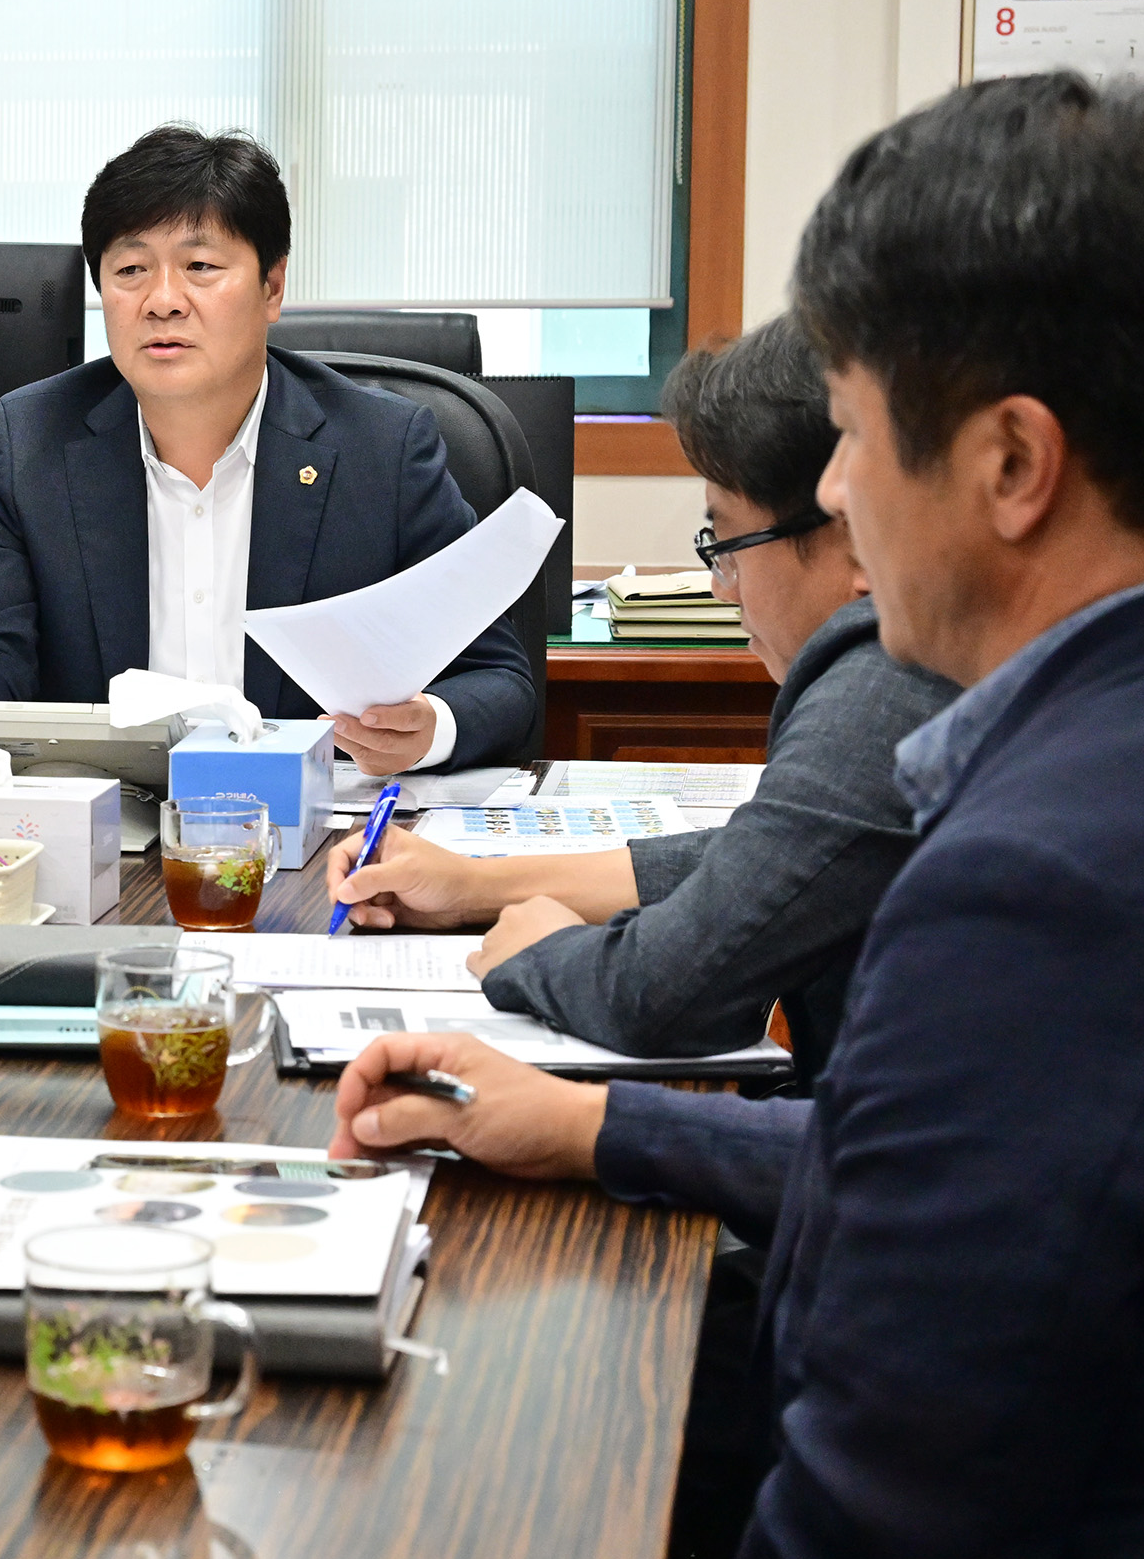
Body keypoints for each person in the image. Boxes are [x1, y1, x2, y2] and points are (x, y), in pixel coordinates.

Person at [333, 73, 1144, 1559]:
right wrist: (596, 1133)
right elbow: (973, 1184)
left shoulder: (1044, 891)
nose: (843, 496)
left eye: (854, 436)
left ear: (1012, 464)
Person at [324, 318, 956, 1076]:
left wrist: (540, 954)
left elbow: (663, 993)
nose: (725, 594)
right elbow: (761, 865)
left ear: (855, 536)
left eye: (724, 548)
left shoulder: (886, 686)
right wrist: (472, 887)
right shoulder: (928, 660)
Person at [0, 126, 537, 774]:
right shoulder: (29, 442)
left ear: (273, 287)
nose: (162, 300)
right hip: (112, 845)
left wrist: (428, 725)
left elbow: (496, 679)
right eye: (130, 270)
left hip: (316, 838)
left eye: (200, 266)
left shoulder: (383, 448)